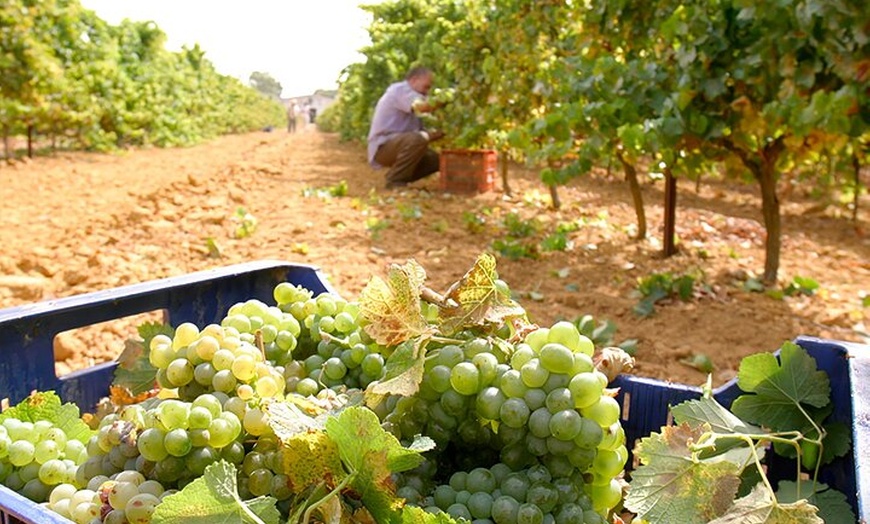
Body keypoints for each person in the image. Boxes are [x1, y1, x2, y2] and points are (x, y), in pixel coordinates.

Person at [367, 66, 445, 189]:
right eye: (426, 86)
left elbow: (420, 133)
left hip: (397, 145)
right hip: (382, 148)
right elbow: (422, 107)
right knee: (418, 138)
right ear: (414, 80)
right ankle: (395, 181)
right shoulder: (400, 90)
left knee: (437, 160)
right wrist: (447, 98)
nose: (427, 91)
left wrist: (440, 133)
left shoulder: (412, 98)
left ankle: (396, 175)